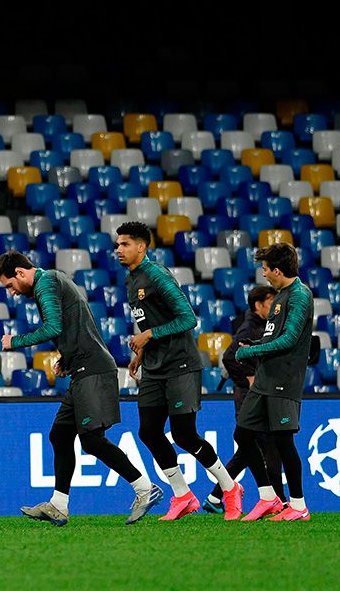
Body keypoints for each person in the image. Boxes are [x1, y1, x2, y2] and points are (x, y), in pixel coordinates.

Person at [0, 250, 162, 527]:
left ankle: (145, 488)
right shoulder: (52, 281)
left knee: (92, 440)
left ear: (21, 273)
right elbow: (73, 326)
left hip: (93, 369)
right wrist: (66, 358)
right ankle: (58, 505)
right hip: (82, 367)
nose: (11, 293)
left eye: (10, 285)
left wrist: (16, 341)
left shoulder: (46, 282)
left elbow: (52, 327)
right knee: (60, 435)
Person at [115, 221, 243, 521]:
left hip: (181, 365)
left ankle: (230, 488)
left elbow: (188, 319)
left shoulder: (157, 275)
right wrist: (142, 352)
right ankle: (183, 495)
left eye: (124, 244)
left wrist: (149, 336)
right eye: (118, 244)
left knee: (185, 434)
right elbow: (149, 323)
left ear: (141, 247)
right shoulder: (130, 280)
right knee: (148, 431)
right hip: (154, 366)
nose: (118, 250)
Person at [233, 243, 315, 521]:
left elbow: (290, 339)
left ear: (277, 270)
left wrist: (249, 351)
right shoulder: (280, 296)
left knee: (282, 441)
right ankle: (269, 497)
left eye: (266, 269)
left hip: (284, 379)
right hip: (265, 379)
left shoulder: (300, 296)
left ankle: (299, 505)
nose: (264, 274)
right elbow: (274, 336)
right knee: (242, 434)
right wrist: (255, 342)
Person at [203, 285, 285, 514]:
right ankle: (279, 500)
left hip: (254, 394)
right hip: (249, 395)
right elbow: (229, 357)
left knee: (256, 447)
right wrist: (246, 379)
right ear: (259, 305)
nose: (275, 306)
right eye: (271, 302)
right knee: (261, 445)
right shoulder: (250, 328)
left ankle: (217, 496)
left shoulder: (260, 325)